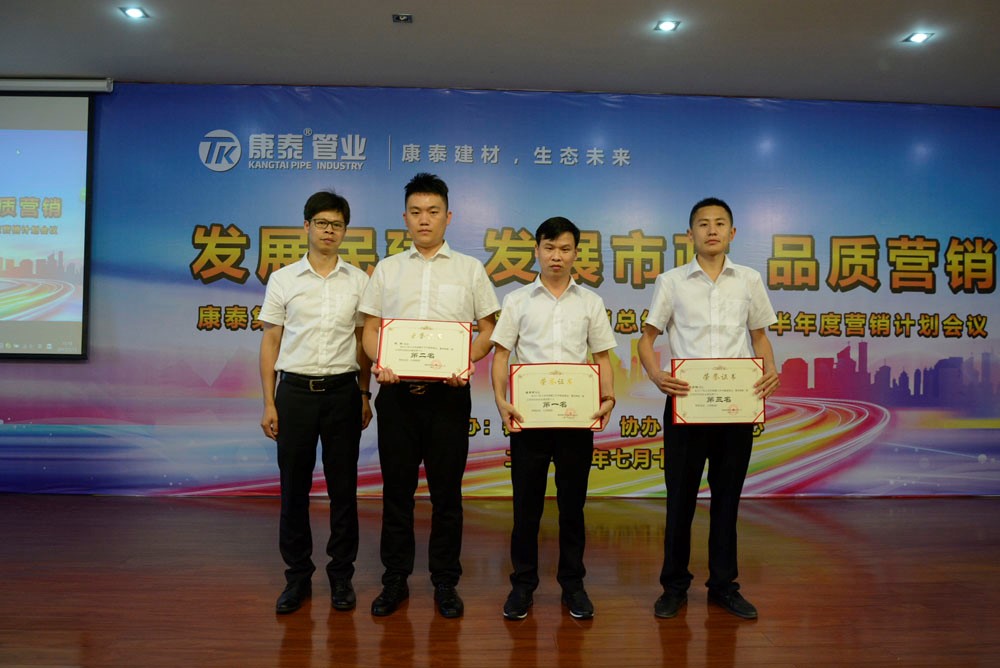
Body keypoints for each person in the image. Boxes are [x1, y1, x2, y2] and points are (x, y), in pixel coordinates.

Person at [359, 172, 500, 619]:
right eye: (416, 212)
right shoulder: (388, 269)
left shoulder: (469, 269)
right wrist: (380, 360)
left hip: (448, 398)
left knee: (447, 495)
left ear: (448, 217)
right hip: (397, 396)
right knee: (397, 493)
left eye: (433, 212)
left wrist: (465, 360)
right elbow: (370, 329)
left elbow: (489, 329)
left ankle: (445, 582)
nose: (425, 220)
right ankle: (394, 579)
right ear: (404, 217)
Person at [637, 197, 779, 621]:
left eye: (720, 223)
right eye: (703, 223)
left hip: (736, 406)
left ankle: (723, 586)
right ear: (690, 234)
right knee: (679, 499)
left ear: (732, 233)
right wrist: (656, 375)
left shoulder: (749, 280)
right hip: (686, 402)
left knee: (727, 498)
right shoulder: (671, 282)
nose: (711, 230)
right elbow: (646, 339)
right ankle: (674, 586)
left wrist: (771, 370)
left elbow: (759, 337)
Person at [490, 217, 618, 621]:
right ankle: (522, 585)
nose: (556, 256)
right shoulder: (517, 300)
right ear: (537, 251)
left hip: (576, 421)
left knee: (572, 507)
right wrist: (500, 400)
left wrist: (608, 396)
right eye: (549, 248)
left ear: (576, 253)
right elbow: (501, 355)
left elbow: (602, 357)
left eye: (564, 249)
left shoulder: (590, 302)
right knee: (525, 508)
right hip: (529, 419)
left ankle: (573, 585)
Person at [259, 190, 373, 615]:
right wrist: (268, 403)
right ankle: (297, 578)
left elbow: (363, 344)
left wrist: (364, 393)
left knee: (344, 490)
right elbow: (271, 341)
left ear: (345, 231)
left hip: (343, 393)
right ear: (306, 226)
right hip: (294, 394)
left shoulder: (359, 281)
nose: (329, 231)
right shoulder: (284, 279)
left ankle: (341, 577)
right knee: (294, 489)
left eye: (337, 225)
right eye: (322, 223)